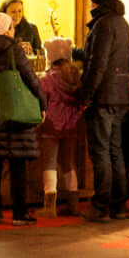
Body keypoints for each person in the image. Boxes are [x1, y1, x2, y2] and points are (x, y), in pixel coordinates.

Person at [0, 10, 43, 224]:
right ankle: (19, 213)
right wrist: (42, 101)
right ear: (8, 29)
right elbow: (30, 78)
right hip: (14, 106)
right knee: (17, 163)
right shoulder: (13, 50)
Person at [76, 0, 129, 221]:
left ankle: (101, 206)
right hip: (120, 94)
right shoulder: (122, 23)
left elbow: (97, 62)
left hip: (103, 96)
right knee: (115, 150)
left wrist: (86, 94)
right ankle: (118, 204)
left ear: (98, 1)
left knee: (100, 151)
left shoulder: (103, 24)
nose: (90, 4)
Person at [38, 38, 87, 217]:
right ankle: (73, 204)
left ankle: (49, 206)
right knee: (68, 162)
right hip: (72, 125)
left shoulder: (47, 79)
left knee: (49, 162)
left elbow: (42, 100)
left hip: (51, 125)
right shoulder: (76, 77)